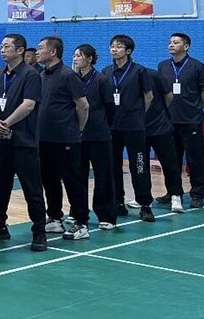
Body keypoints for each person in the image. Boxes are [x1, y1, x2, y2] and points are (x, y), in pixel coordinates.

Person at [0, 34, 48, 252]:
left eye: (7, 46)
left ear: (20, 50)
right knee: (0, 186)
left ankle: (39, 231)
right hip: (1, 141)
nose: (2, 50)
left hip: (24, 141)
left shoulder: (31, 74)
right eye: (1, 46)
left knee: (32, 188)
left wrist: (7, 123)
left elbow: (28, 104)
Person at [35, 36, 90, 240]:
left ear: (53, 52)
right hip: (44, 138)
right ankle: (55, 218)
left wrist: (77, 130)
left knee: (72, 181)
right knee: (49, 181)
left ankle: (81, 222)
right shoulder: (41, 75)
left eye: (41, 48)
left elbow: (83, 105)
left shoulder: (68, 75)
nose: (37, 51)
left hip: (66, 139)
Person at [102, 34, 155, 221]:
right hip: (112, 127)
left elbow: (149, 97)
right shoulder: (106, 72)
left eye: (118, 46)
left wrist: (137, 115)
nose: (114, 49)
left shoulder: (139, 71)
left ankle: (145, 204)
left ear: (128, 51)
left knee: (139, 166)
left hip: (134, 127)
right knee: (113, 166)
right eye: (112, 46)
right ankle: (118, 202)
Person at [157, 33, 204, 209]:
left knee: (195, 159)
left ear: (186, 46)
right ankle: (174, 192)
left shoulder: (197, 67)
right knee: (171, 160)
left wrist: (195, 109)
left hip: (191, 120)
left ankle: (197, 194)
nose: (171, 44)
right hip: (169, 121)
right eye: (170, 42)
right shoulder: (163, 66)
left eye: (176, 42)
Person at [72, 44, 117, 230]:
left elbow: (110, 107)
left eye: (79, 55)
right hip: (77, 135)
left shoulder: (101, 79)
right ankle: (78, 213)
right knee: (78, 176)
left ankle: (106, 215)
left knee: (103, 176)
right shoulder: (72, 78)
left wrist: (103, 124)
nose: (75, 59)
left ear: (89, 59)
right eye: (74, 55)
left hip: (98, 135)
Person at [144, 67, 183, 214]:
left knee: (169, 163)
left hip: (160, 127)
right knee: (140, 165)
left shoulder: (153, 75)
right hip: (139, 128)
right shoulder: (121, 77)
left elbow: (169, 96)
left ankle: (175, 195)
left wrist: (160, 113)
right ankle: (143, 197)